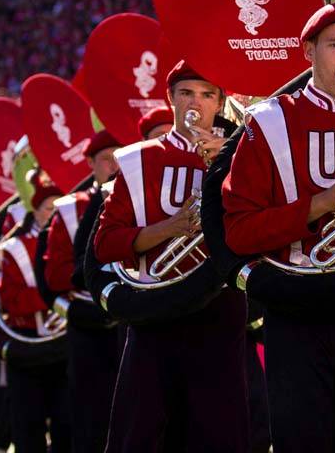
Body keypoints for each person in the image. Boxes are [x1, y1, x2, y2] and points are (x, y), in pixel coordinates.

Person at [222, 3, 335, 452]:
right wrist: (319, 203)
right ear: (308, 52)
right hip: (295, 305)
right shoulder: (268, 120)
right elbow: (239, 232)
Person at [93, 60, 249, 453]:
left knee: (216, 436)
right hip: (154, 314)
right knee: (141, 436)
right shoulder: (137, 159)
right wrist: (169, 228)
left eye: (207, 94)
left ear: (220, 104)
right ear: (170, 99)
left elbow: (258, 229)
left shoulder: (242, 158)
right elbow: (105, 245)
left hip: (220, 315)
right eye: (186, 93)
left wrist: (231, 168)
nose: (196, 103)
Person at [44, 131, 122, 453]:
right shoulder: (68, 210)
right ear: (90, 164)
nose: (115, 164)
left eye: (121, 156)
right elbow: (55, 274)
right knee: (89, 414)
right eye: (106, 158)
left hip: (131, 319)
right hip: (88, 324)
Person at [0, 180, 69, 453]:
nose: (53, 213)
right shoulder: (14, 247)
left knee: (66, 422)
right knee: (28, 424)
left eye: (58, 208)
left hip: (62, 344)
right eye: (48, 208)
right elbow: (10, 300)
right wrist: (52, 296)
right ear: (35, 211)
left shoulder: (69, 240)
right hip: (27, 343)